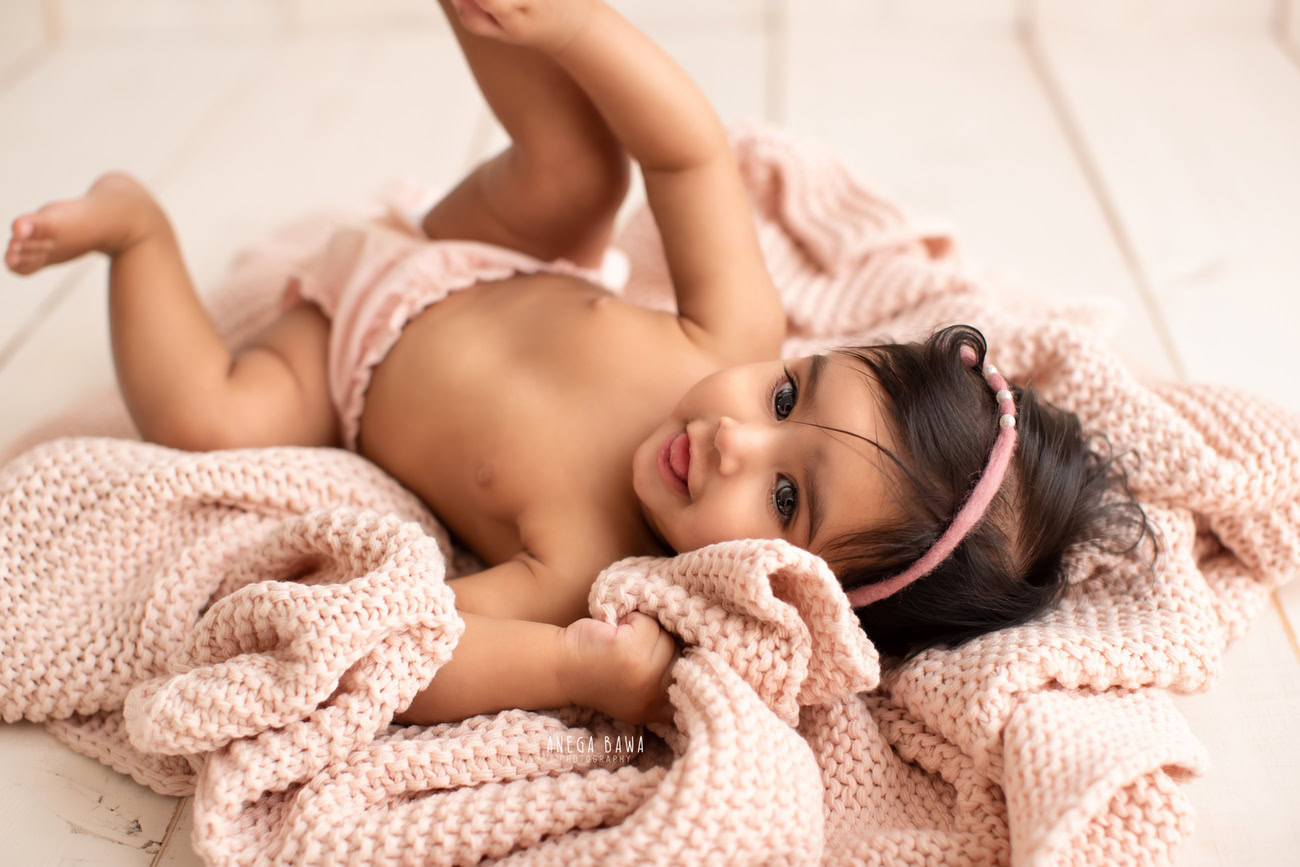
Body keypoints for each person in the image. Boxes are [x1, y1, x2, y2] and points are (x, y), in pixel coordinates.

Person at [3, 0, 1153, 728]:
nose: (735, 441)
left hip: (337, 371)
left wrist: (574, 677)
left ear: (789, 587)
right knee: (578, 176)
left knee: (211, 418)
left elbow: (425, 647)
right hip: (468, 252)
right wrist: (574, 32)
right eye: (790, 396)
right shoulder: (731, 337)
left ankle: (134, 230)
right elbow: (689, 155)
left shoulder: (581, 564)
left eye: (787, 497)